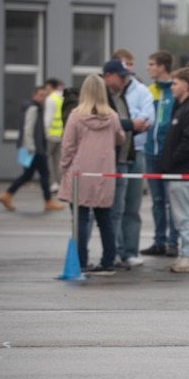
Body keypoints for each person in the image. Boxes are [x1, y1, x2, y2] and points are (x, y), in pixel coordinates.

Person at [57, 74, 124, 276]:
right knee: (105, 219)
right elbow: (120, 138)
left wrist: (63, 168)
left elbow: (68, 146)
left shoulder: (76, 116)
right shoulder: (112, 117)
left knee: (80, 219)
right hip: (104, 174)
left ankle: (81, 261)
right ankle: (108, 261)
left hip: (80, 174)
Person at [102, 59, 153, 269]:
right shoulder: (102, 96)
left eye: (126, 76)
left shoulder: (130, 93)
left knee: (131, 207)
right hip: (113, 159)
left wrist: (134, 125)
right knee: (115, 210)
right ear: (108, 75)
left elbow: (148, 117)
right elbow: (105, 122)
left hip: (130, 154)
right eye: (121, 76)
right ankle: (113, 252)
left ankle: (129, 251)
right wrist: (131, 124)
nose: (125, 80)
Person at [159, 67, 189, 273]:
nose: (172, 87)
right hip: (178, 171)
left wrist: (171, 162)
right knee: (181, 216)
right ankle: (187, 253)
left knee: (186, 215)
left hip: (185, 171)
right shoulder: (183, 109)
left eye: (175, 83)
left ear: (186, 85)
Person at [0, 85, 65, 213]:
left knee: (28, 175)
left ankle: (7, 195)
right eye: (40, 95)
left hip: (33, 148)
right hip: (34, 149)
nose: (43, 98)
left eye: (45, 96)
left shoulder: (36, 108)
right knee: (44, 174)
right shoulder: (33, 108)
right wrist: (31, 147)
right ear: (34, 96)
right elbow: (28, 129)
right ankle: (48, 201)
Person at [141, 50, 179, 257]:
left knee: (172, 200)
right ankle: (159, 241)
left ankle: (173, 241)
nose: (148, 68)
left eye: (152, 64)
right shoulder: (149, 90)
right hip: (151, 152)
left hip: (169, 154)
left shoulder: (175, 89)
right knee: (157, 200)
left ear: (162, 67)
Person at [43, 78, 65, 192]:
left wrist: (44, 132)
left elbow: (48, 118)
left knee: (47, 159)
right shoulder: (63, 97)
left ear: (51, 87)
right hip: (62, 134)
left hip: (51, 135)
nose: (46, 90)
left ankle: (53, 183)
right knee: (59, 161)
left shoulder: (51, 99)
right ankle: (61, 183)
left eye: (47, 88)